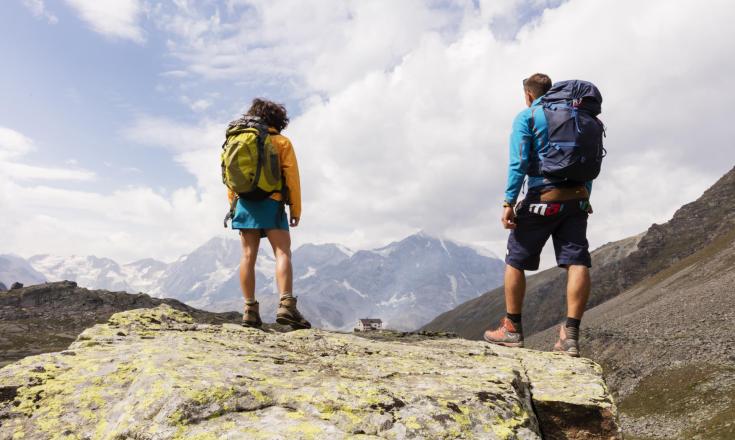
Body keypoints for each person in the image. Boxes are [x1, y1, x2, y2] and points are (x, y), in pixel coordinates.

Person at [483, 73, 593, 357]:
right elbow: (586, 162)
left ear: (529, 94)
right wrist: (585, 195)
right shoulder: (579, 117)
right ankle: (570, 337)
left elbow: (519, 161)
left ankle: (512, 328)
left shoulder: (528, 116)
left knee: (516, 259)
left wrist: (508, 201)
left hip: (542, 199)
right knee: (577, 260)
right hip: (577, 200)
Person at [227, 98, 311, 330]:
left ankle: (249, 310)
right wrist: (295, 209)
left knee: (247, 256)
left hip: (243, 202)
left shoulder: (238, 139)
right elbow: (292, 178)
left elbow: (230, 177)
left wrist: (234, 204)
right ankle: (286, 305)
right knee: (282, 252)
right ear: (278, 120)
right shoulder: (281, 142)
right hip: (272, 201)